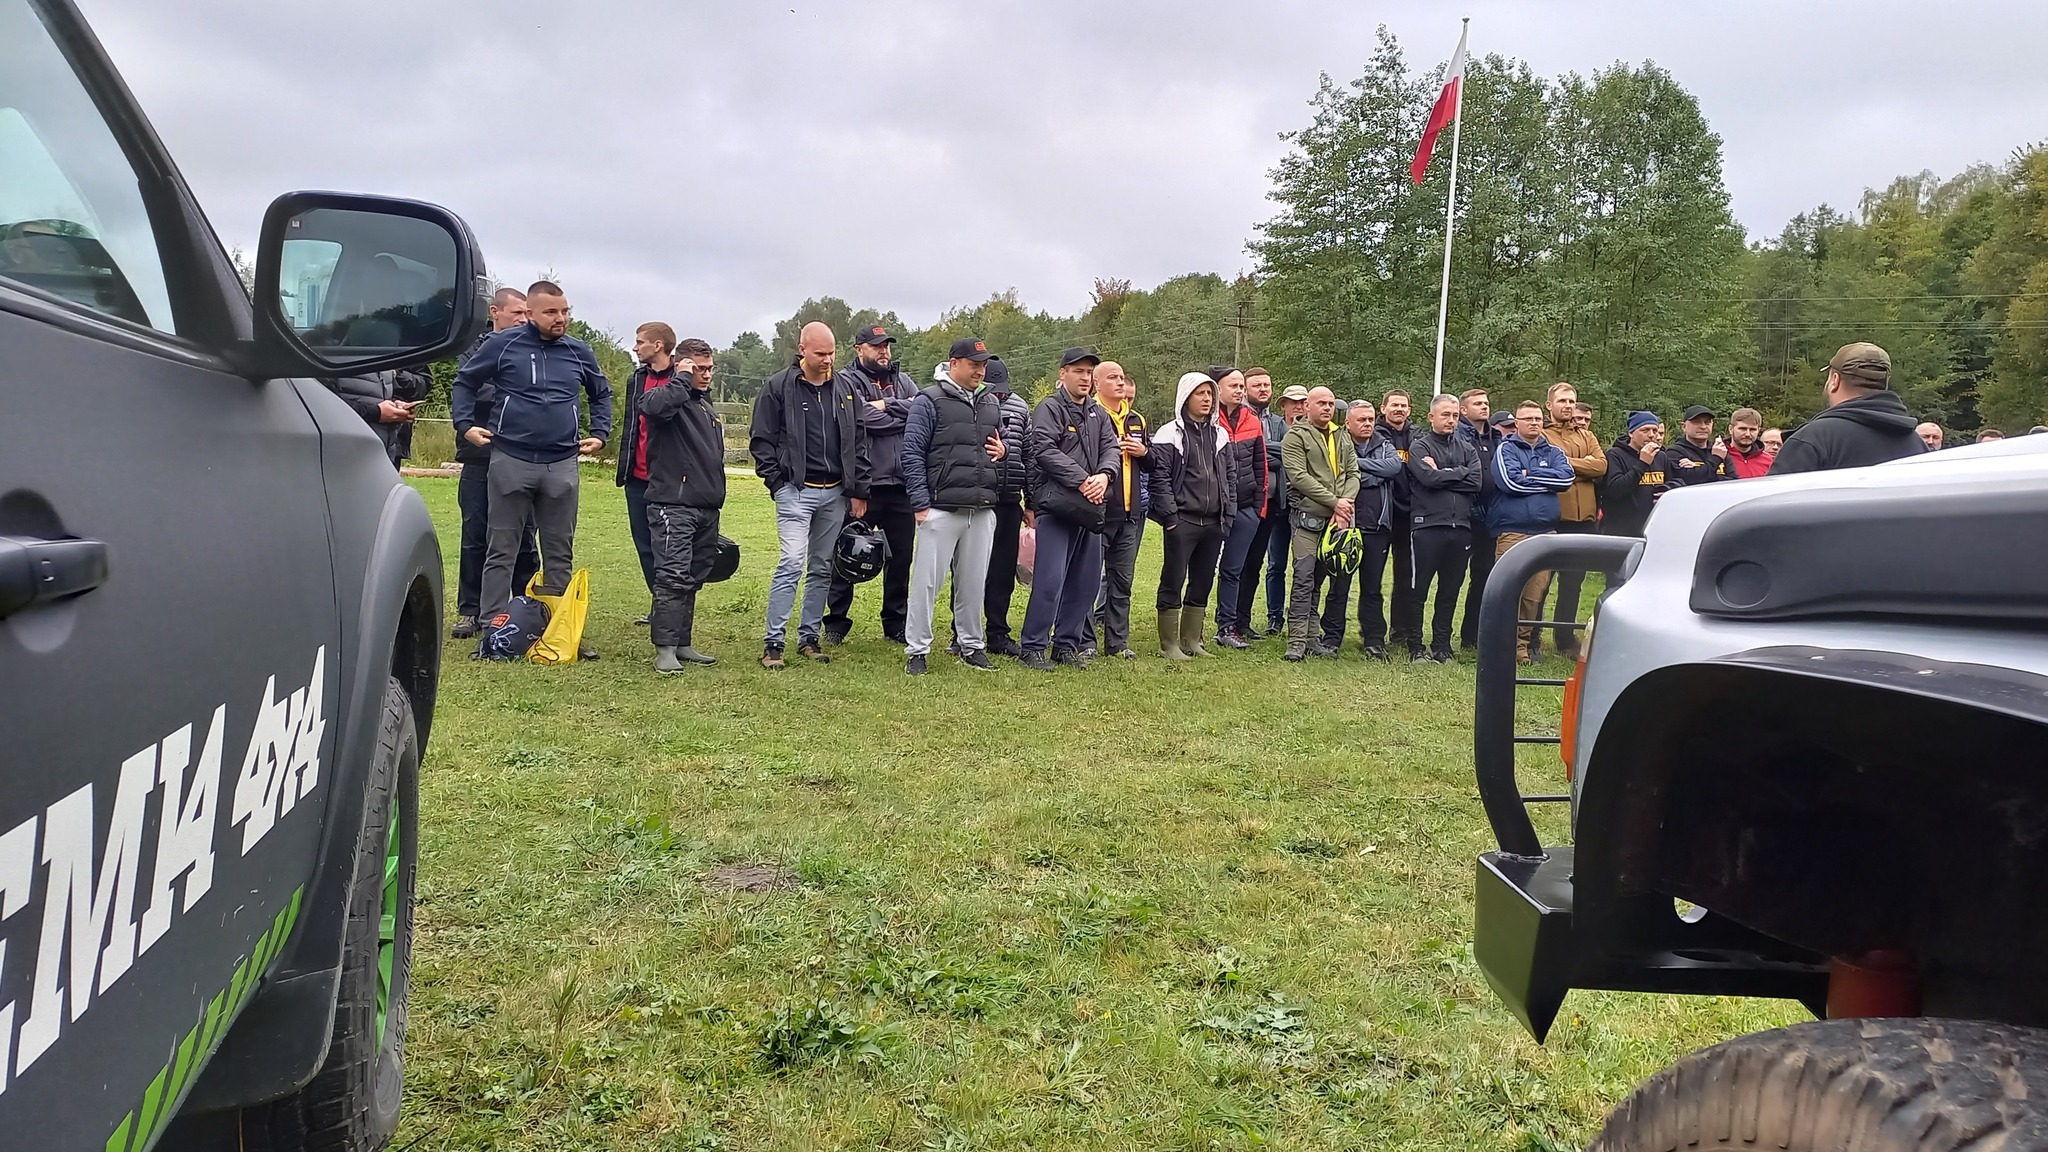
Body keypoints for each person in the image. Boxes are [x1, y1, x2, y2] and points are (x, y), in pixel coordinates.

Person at [451, 280, 613, 646]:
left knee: (559, 550)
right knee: (501, 547)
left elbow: (601, 392)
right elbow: (464, 381)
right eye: (552, 312)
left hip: (562, 462)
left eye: (566, 311)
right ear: (531, 313)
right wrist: (465, 425)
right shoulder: (502, 344)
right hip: (511, 458)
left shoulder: (578, 351)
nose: (561, 319)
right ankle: (494, 628)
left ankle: (559, 629)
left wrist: (600, 432)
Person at [749, 321, 870, 669]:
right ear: (802, 349)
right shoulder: (778, 387)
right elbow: (761, 439)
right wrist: (777, 482)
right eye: (820, 353)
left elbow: (859, 442)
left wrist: (858, 490)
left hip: (835, 494)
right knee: (791, 562)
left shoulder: (846, 390)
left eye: (832, 353)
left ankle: (809, 638)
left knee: (822, 566)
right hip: (795, 491)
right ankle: (774, 642)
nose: (828, 360)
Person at [899, 337, 1011, 675]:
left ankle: (971, 646)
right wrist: (921, 504)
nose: (980, 370)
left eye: (983, 364)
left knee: (973, 582)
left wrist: (1002, 453)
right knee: (926, 583)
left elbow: (998, 444)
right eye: (974, 363)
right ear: (954, 363)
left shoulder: (990, 401)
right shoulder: (928, 400)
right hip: (940, 507)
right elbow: (912, 453)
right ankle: (917, 650)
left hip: (981, 507)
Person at [1020, 348, 1119, 670]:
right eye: (1078, 371)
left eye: (1089, 373)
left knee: (1085, 582)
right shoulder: (1050, 408)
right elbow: (1044, 450)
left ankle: (1066, 645)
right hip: (1058, 506)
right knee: (1049, 580)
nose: (1085, 378)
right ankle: (1033, 647)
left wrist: (1104, 477)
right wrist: (1082, 480)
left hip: (1091, 508)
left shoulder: (1098, 413)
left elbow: (1111, 449)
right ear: (1063, 373)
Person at [824, 324, 920, 646]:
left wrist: (885, 406)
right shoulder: (846, 381)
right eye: (876, 346)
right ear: (859, 349)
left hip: (902, 486)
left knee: (900, 559)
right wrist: (897, 412)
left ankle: (895, 623)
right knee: (847, 553)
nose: (884, 351)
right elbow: (859, 419)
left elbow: (921, 412)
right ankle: (836, 623)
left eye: (887, 346)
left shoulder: (904, 381)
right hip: (865, 485)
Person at [450, 288, 538, 639]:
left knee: (525, 535)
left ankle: (525, 603)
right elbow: (472, 390)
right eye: (517, 313)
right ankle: (471, 610)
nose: (523, 319)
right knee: (476, 533)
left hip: (524, 454)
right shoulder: (475, 348)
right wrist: (514, 394)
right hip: (481, 457)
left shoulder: (536, 349)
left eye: (527, 314)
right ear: (495, 312)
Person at [637, 337, 726, 673]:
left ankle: (683, 642)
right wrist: (681, 378)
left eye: (709, 368)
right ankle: (665, 649)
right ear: (682, 365)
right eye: (699, 369)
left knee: (694, 575)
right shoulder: (668, 397)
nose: (705, 375)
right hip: (672, 502)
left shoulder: (705, 405)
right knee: (672, 575)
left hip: (706, 505)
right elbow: (652, 406)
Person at [1149, 371, 1237, 660]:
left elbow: (1230, 477)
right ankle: (1169, 644)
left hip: (1214, 521)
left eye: (1210, 394)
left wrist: (1229, 514)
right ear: (1186, 397)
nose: (1207, 399)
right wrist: (1170, 518)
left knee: (1202, 581)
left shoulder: (1220, 434)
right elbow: (1159, 479)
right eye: (1200, 393)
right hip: (1182, 520)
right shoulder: (1168, 433)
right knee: (1173, 579)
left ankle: (1191, 640)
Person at [1489, 401, 1576, 664]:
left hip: (1545, 533)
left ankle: (1521, 648)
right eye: (1528, 419)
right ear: (1517, 423)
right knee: (1509, 591)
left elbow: (1566, 480)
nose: (1534, 423)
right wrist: (1545, 478)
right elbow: (1509, 482)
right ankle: (1501, 645)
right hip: (1513, 531)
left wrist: (1531, 473)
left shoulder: (1555, 451)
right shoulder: (1506, 449)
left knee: (1534, 595)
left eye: (1538, 419)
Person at [1279, 388, 1360, 662]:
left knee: (1319, 580)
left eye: (1330, 404)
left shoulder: (1341, 434)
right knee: (1303, 577)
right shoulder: (1295, 436)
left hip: (1337, 520)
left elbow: (1353, 472)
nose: (1327, 408)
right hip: (1308, 520)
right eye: (1321, 403)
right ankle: (1296, 641)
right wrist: (1335, 502)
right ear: (1307, 405)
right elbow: (1299, 476)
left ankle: (1313, 638)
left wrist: (1345, 502)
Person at [1319, 399, 1402, 659]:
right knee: (1339, 586)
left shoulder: (1384, 443)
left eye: (1370, 419)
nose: (1368, 424)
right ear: (1348, 422)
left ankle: (1374, 639)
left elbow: (1394, 467)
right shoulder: (1338, 443)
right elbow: (1337, 476)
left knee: (1373, 588)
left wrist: (1357, 467)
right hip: (1345, 524)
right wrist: (1370, 475)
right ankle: (1331, 638)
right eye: (1362, 420)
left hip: (1378, 526)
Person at [1405, 395, 1482, 663]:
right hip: (1426, 526)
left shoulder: (1467, 448)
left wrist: (1445, 474)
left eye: (1454, 416)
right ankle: (1415, 646)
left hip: (1460, 527)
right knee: (1418, 590)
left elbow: (1476, 482)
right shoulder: (1419, 447)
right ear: (1431, 417)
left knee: (1449, 591)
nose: (1451, 420)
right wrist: (1458, 472)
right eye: (1445, 415)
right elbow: (1427, 477)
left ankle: (1442, 646)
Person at [1772, 343, 1926, 474]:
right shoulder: (1917, 444)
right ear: (1884, 383)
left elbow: (1770, 503)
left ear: (1835, 381)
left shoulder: (1813, 439)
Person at [617, 322, 682, 617]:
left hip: (667, 480)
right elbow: (633, 426)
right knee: (644, 544)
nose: (635, 347)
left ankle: (671, 607)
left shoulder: (682, 378)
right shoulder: (637, 378)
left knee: (667, 547)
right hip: (637, 477)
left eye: (640, 341)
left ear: (658, 346)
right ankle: (660, 604)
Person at [1090, 361, 1151, 659]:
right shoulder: (1090, 415)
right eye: (1112, 378)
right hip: (1099, 511)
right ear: (1096, 384)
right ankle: (1084, 642)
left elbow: (1152, 464)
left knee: (1122, 582)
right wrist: (1108, 449)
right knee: (1088, 580)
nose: (1120, 383)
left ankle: (1117, 643)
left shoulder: (1136, 419)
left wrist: (1145, 452)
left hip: (1130, 512)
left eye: (1122, 378)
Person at [1542, 383, 1605, 660]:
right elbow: (1549, 467)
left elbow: (1601, 466)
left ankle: (1565, 638)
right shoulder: (1541, 434)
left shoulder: (1587, 435)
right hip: (1556, 517)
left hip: (1585, 521)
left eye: (1572, 401)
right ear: (1549, 405)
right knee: (1541, 581)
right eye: (1563, 401)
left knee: (1573, 583)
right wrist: (1582, 464)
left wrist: (1567, 463)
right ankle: (1530, 636)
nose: (1568, 406)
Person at [1212, 367, 1269, 649]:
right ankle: (1192, 626)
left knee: (1233, 570)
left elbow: (1261, 465)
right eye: (1232, 385)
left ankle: (1227, 626)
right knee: (1202, 567)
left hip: (1246, 508)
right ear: (1217, 388)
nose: (1238, 390)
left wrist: (1258, 507)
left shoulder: (1251, 419)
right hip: (1213, 509)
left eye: (1240, 386)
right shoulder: (1208, 420)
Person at [980, 356, 1032, 658]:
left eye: (1001, 391)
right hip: (975, 501)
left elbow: (1029, 455)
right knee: (971, 570)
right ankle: (963, 635)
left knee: (1001, 573)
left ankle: (997, 633)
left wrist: (1031, 502)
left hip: (1009, 500)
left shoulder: (1021, 408)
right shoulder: (970, 404)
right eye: (992, 390)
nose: (996, 397)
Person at [1230, 367, 1285, 643]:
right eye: (1256, 385)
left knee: (1254, 564)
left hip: (1271, 503)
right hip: (1244, 502)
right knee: (1234, 564)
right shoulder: (1238, 417)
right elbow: (1253, 454)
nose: (1263, 389)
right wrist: (1266, 452)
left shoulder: (1278, 421)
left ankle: (1244, 621)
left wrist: (1264, 451)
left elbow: (1289, 453)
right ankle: (1227, 621)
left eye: (1267, 384)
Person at [1263, 384, 1310, 636]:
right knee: (1276, 564)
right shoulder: (1276, 426)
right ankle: (1274, 616)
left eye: (1303, 402)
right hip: (1280, 506)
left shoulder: (1314, 429)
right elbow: (1263, 450)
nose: (1299, 406)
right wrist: (1296, 457)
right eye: (1293, 402)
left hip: (1308, 508)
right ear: (1283, 405)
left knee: (1307, 567)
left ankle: (1303, 619)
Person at [1454, 388, 1499, 651]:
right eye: (1478, 403)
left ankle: (1473, 636)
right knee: (1454, 578)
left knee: (1483, 577)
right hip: (1463, 514)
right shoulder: (1457, 435)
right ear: (1463, 410)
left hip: (1490, 516)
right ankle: (1440, 637)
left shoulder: (1495, 437)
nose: (1484, 407)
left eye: (1486, 403)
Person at [1379, 389, 1418, 653]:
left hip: (1408, 514)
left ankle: (1400, 630)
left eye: (1403, 405)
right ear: (1383, 408)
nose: (1399, 409)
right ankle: (1373, 632)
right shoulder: (1374, 434)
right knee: (1372, 578)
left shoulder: (1418, 436)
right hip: (1381, 513)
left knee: (1405, 576)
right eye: (1394, 405)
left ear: (1410, 410)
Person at [326, 366, 427, 468]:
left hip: (386, 451)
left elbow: (422, 384)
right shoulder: (331, 354)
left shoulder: (383, 353)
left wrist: (397, 407)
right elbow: (323, 403)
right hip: (345, 451)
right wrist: (377, 412)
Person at [1601, 413, 1667, 537]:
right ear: (1631, 433)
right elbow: (1615, 489)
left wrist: (1667, 490)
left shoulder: (1661, 456)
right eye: (1645, 430)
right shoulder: (1615, 455)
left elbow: (1675, 481)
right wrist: (1642, 463)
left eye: (1655, 430)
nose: (1652, 435)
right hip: (1622, 530)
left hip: (1654, 527)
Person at [1656, 405, 1732, 488]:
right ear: (1684, 427)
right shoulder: (1674, 452)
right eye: (1696, 422)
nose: (1703, 427)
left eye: (1707, 422)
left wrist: (1698, 469)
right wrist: (1716, 459)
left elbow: (1733, 481)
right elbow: (1688, 480)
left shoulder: (1719, 450)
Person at [1724, 407, 1773, 478]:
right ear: (1731, 429)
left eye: (1752, 430)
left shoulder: (1768, 461)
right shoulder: (1719, 457)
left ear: (1758, 431)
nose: (1747, 434)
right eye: (1742, 429)